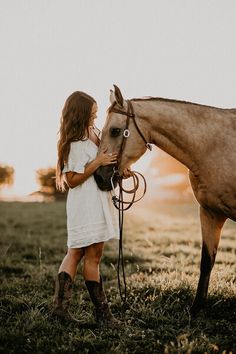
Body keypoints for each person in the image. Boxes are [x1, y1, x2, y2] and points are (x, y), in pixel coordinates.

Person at [54, 91, 121, 327]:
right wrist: (97, 163)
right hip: (84, 203)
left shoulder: (95, 133)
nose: (95, 115)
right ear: (80, 113)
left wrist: (118, 170)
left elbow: (105, 163)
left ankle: (73, 311)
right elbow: (71, 179)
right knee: (79, 253)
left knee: (90, 254)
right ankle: (99, 315)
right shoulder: (73, 141)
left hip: (99, 201)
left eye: (96, 112)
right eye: (91, 112)